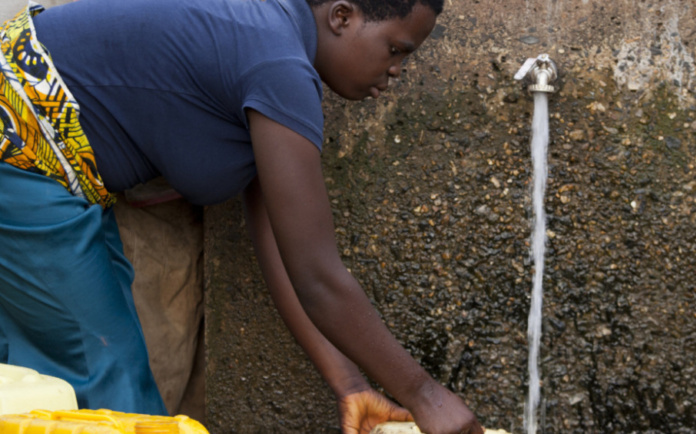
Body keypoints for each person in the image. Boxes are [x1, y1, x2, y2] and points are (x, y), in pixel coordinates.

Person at [0, 0, 484, 432]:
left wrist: (351, 384)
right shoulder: (277, 64)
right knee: (111, 382)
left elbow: (281, 243)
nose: (397, 71)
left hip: (50, 175)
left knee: (48, 382)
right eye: (396, 50)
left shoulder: (264, 41)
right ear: (342, 16)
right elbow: (318, 276)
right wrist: (425, 395)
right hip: (18, 153)